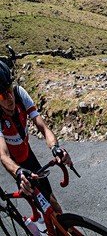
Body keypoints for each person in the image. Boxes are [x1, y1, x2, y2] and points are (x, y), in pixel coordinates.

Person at [0, 62, 72, 214]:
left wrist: (55, 148)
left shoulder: (20, 94)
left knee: (54, 205)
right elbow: (3, 156)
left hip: (28, 155)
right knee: (45, 209)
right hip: (14, 164)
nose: (10, 98)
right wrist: (18, 172)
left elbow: (43, 128)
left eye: (10, 90)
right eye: (2, 95)